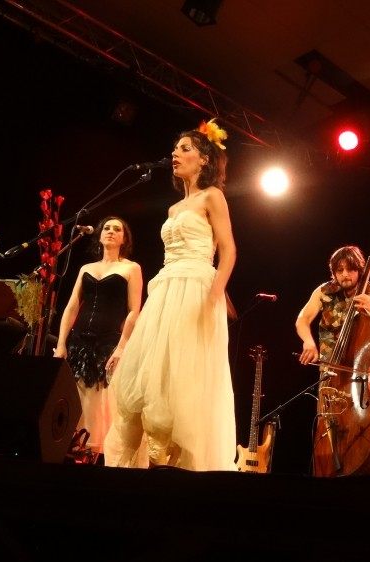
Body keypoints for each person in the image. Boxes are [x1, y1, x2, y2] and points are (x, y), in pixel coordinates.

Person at [104, 118, 238, 471]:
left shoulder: (213, 196)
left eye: (185, 149)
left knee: (183, 377)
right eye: (175, 148)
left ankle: (178, 466)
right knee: (151, 375)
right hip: (166, 289)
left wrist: (215, 293)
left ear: (204, 159)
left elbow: (229, 250)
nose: (175, 154)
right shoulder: (173, 208)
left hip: (195, 288)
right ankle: (147, 464)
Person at [53, 216, 143, 462]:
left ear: (124, 238)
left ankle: (96, 454)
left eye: (117, 229)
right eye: (107, 228)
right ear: (100, 235)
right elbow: (72, 307)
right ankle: (73, 449)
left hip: (109, 341)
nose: (111, 232)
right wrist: (61, 344)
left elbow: (135, 310)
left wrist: (122, 346)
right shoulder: (86, 269)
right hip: (79, 340)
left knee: (102, 402)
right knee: (75, 396)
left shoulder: (131, 268)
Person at [295, 245, 370, 367]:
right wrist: (308, 342)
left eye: (350, 269)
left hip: (362, 370)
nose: (345, 274)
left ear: (359, 270)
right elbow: (303, 319)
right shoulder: (324, 291)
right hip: (330, 370)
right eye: (340, 270)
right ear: (334, 272)